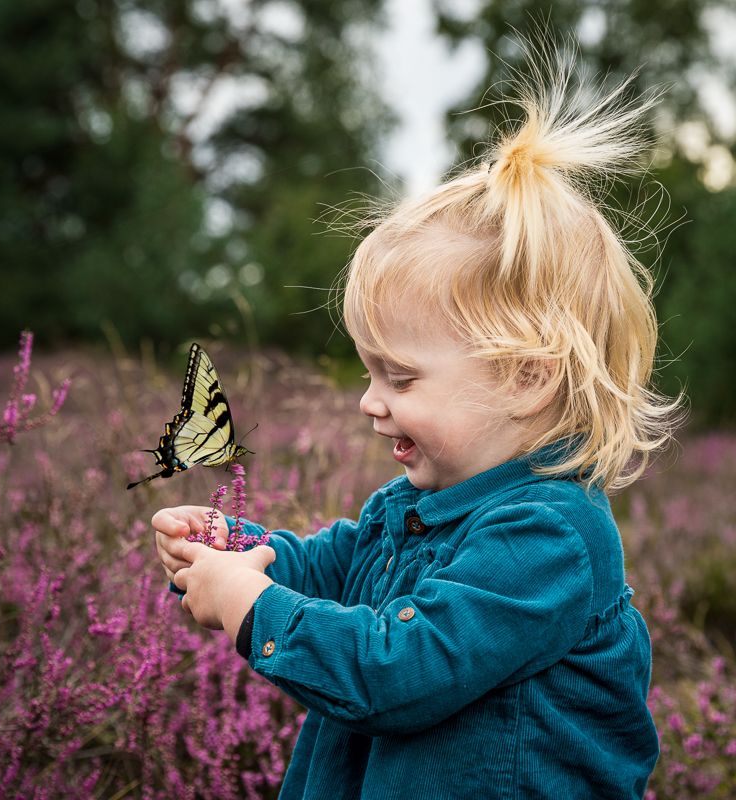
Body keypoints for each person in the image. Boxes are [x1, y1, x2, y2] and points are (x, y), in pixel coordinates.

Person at [153, 40, 681, 800]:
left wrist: (250, 607)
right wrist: (237, 551)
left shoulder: (550, 540)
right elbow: (333, 570)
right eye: (370, 373)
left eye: (399, 377)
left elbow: (396, 670)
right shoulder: (412, 510)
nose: (370, 401)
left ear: (526, 380)